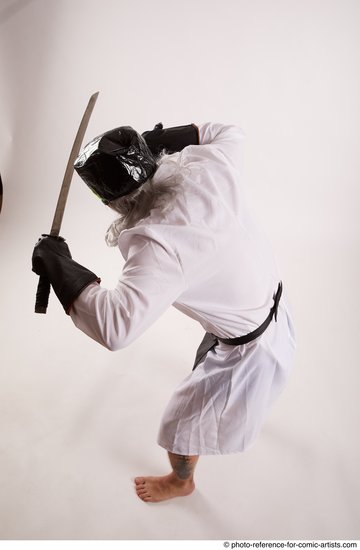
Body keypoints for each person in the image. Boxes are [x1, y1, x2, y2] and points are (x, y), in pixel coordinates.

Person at [32, 122, 296, 503]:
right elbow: (228, 132)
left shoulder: (160, 245)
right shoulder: (207, 167)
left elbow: (115, 328)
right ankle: (247, 407)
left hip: (251, 353)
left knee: (179, 427)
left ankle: (181, 481)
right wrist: (156, 142)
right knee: (224, 368)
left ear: (111, 201)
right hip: (273, 305)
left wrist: (60, 267)